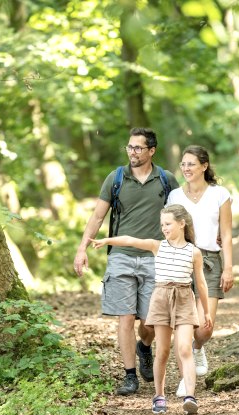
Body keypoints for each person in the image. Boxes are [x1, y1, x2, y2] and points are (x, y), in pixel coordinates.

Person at [73, 127, 179, 396]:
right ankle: (129, 375)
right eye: (129, 147)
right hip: (120, 257)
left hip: (156, 257)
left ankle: (144, 347)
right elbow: (97, 217)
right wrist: (82, 248)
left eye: (138, 148)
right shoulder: (116, 178)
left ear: (151, 151)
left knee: (151, 322)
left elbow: (181, 217)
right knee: (125, 316)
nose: (132, 152)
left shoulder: (166, 180)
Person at [90, 204, 212, 415]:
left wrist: (207, 311)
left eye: (168, 224)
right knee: (163, 351)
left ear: (182, 224)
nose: (164, 228)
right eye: (162, 224)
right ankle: (159, 395)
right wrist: (107, 240)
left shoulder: (194, 252)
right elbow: (131, 240)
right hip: (161, 298)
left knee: (184, 348)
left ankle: (190, 397)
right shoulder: (158, 246)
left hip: (184, 299)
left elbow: (201, 284)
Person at [166, 145, 233, 397]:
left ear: (204, 166)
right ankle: (186, 378)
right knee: (182, 323)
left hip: (210, 261)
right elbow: (169, 229)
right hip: (181, 259)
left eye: (191, 164)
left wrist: (228, 267)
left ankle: (197, 347)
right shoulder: (174, 196)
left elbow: (225, 233)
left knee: (206, 325)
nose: (186, 169)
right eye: (183, 164)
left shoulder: (220, 194)